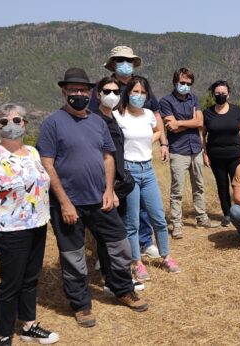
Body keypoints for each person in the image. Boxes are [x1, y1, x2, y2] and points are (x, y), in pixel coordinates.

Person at [36, 68, 147, 329]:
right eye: (73, 90)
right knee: (73, 256)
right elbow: (47, 163)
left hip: (100, 199)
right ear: (64, 93)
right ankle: (81, 305)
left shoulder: (98, 122)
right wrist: (64, 202)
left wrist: (109, 190)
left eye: (83, 90)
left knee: (120, 245)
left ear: (91, 93)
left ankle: (123, 289)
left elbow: (109, 156)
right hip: (68, 204)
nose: (78, 94)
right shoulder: (52, 123)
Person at [0, 103, 59, 346]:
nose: (11, 125)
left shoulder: (32, 152)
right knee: (11, 284)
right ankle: (3, 336)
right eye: (4, 121)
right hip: (10, 232)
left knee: (31, 278)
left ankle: (29, 326)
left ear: (25, 124)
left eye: (17, 120)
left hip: (38, 225)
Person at [96, 45, 165, 258]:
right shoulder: (107, 87)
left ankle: (145, 242)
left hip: (144, 163)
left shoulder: (141, 85)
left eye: (128, 61)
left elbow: (155, 116)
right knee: (119, 207)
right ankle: (111, 251)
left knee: (144, 208)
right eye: (120, 60)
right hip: (119, 161)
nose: (125, 64)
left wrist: (162, 142)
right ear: (114, 64)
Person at [116, 75, 181, 281]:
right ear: (128, 93)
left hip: (148, 170)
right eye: (135, 91)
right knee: (133, 222)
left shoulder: (148, 115)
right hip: (129, 171)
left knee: (158, 217)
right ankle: (137, 262)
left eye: (143, 92)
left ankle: (166, 256)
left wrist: (152, 143)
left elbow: (158, 130)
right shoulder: (119, 115)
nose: (139, 96)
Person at [92, 76, 146, 293]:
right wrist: (109, 189)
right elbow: (100, 157)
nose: (112, 95)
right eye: (107, 91)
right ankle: (111, 280)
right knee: (110, 236)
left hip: (120, 185)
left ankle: (117, 278)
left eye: (116, 91)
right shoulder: (94, 120)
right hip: (107, 187)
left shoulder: (112, 117)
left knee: (117, 232)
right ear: (98, 94)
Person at [160, 67, 220, 238]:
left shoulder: (193, 98)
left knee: (199, 186)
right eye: (182, 83)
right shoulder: (165, 101)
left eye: (188, 83)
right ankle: (177, 224)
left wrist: (180, 123)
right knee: (177, 189)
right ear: (175, 82)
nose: (185, 86)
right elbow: (171, 126)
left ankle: (202, 218)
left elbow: (200, 122)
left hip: (196, 149)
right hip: (178, 150)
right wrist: (189, 122)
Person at [201, 80, 240, 226]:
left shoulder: (237, 111)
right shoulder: (207, 113)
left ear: (228, 95)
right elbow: (202, 135)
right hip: (216, 157)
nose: (220, 95)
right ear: (213, 95)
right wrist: (205, 153)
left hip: (236, 155)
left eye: (223, 93)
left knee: (238, 185)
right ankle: (227, 214)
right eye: (217, 93)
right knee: (222, 185)